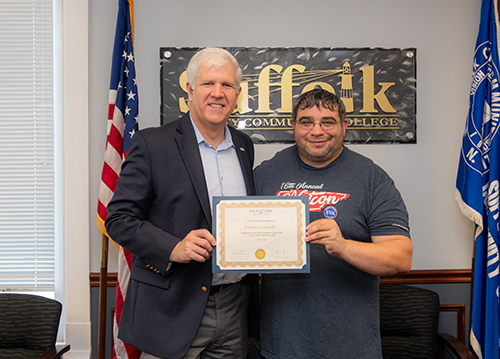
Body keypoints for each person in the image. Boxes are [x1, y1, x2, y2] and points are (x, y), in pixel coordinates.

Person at [106, 47, 255, 359]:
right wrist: (172, 248)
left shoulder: (243, 146)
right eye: (208, 84)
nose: (218, 93)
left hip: (234, 305)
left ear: (237, 94)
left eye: (227, 85)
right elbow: (118, 218)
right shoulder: (152, 144)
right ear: (189, 89)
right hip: (172, 307)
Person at [253, 88, 413, 359]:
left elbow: (401, 258)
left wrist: (343, 246)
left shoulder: (371, 177)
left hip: (351, 348)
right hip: (279, 346)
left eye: (327, 121)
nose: (317, 131)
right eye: (307, 122)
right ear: (293, 125)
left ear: (343, 125)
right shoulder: (265, 174)